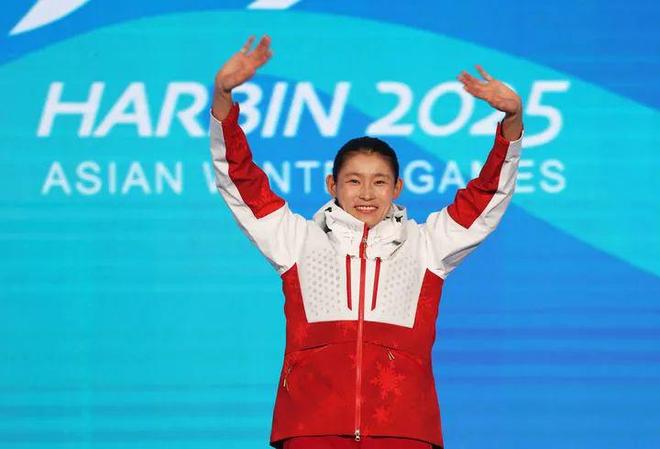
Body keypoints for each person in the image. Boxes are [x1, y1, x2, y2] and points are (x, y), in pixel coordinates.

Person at [209, 35, 524, 449]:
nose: (366, 193)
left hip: (403, 430)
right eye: (353, 181)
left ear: (397, 188)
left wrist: (512, 122)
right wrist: (223, 100)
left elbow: (487, 197)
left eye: (379, 182)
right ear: (332, 186)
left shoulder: (427, 245)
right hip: (311, 429)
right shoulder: (297, 240)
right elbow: (240, 182)